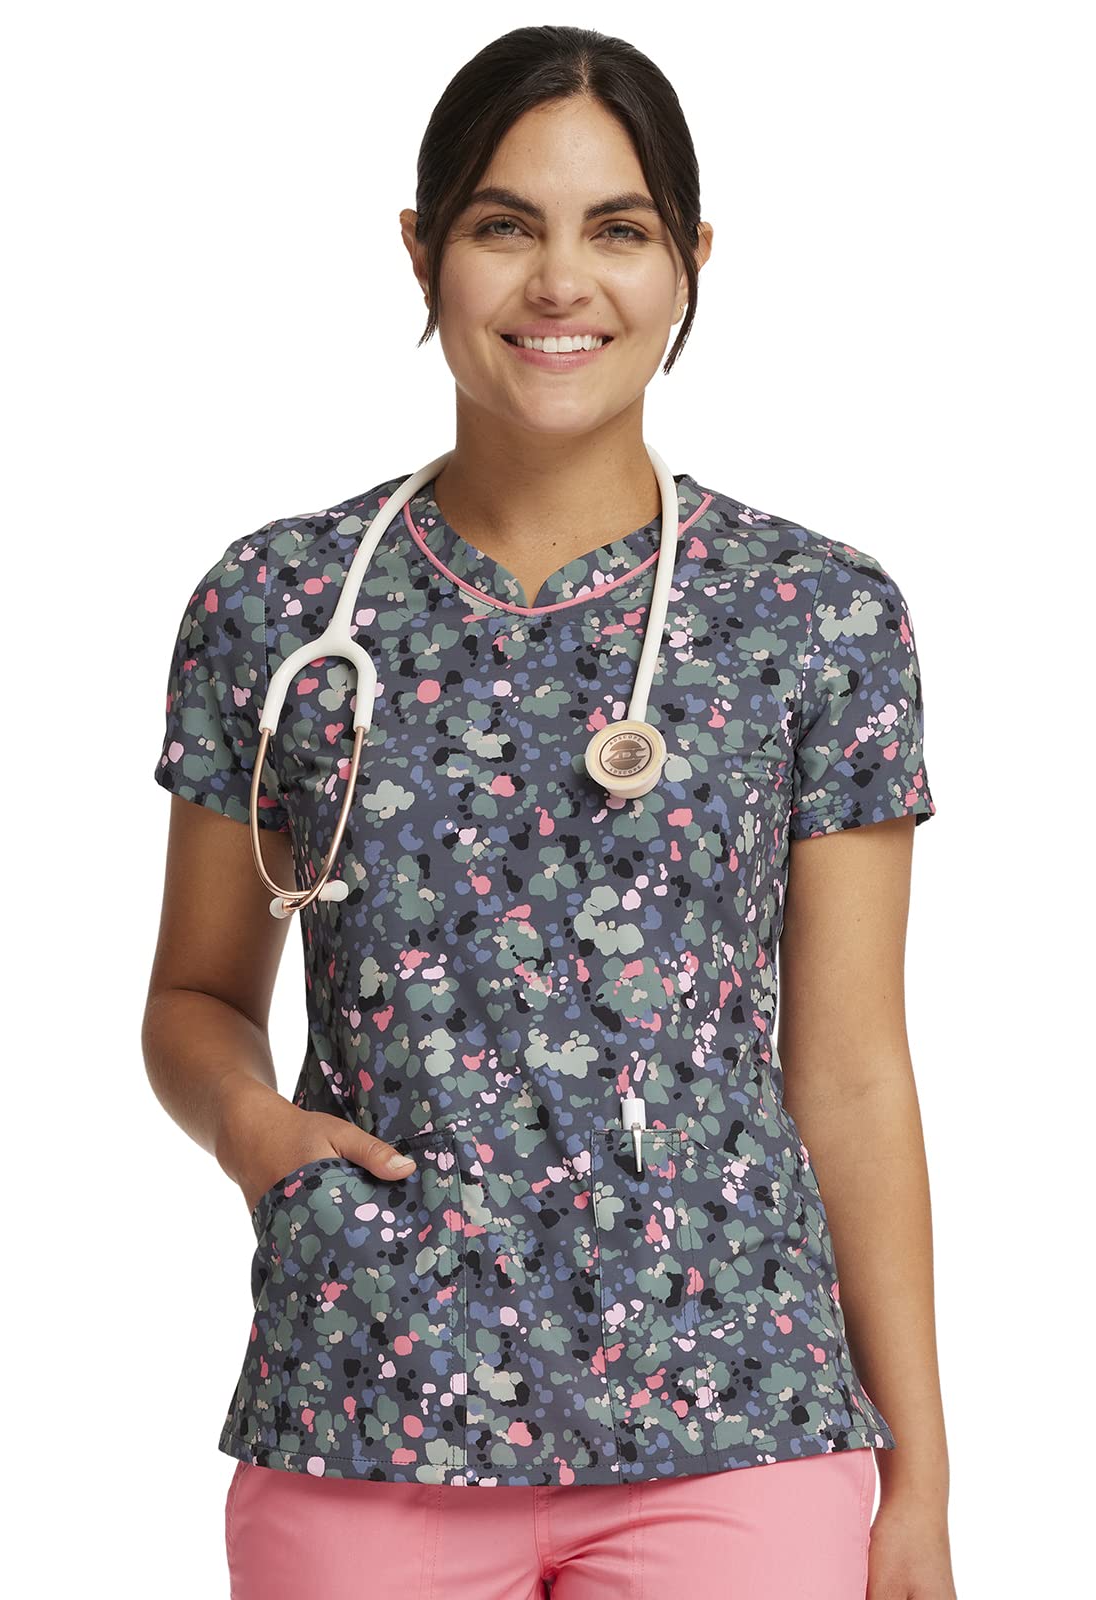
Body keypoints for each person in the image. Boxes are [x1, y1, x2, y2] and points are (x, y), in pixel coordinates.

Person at [143, 23, 957, 1600]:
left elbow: (854, 1070)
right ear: (422, 250)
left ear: (692, 260)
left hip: (738, 1417)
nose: (560, 282)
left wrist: (917, 1480)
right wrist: (252, 1132)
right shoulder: (281, 606)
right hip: (367, 1393)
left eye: (620, 229)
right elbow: (193, 996)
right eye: (506, 225)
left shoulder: (816, 617)